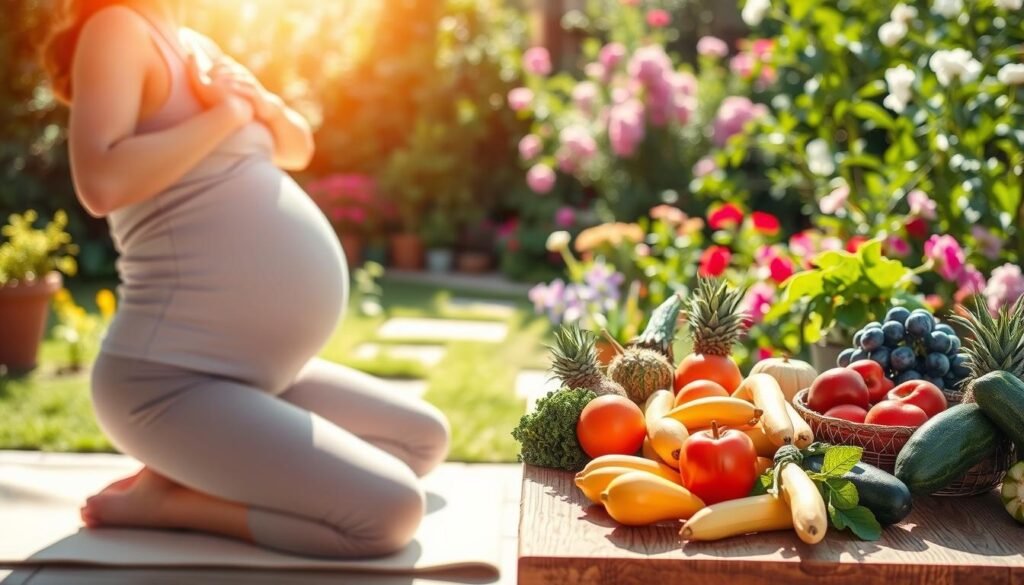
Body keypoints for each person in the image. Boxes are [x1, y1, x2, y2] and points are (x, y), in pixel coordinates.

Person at [41, 0, 450, 558]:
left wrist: (258, 105)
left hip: (256, 375)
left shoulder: (193, 43)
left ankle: (184, 470)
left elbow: (297, 147)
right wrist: (226, 118)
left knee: (421, 440)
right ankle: (169, 504)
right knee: (388, 515)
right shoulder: (118, 28)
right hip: (168, 385)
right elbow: (101, 182)